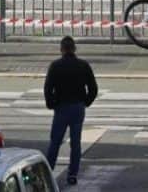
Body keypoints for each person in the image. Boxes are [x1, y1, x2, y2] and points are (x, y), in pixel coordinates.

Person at [43, 36, 97, 186]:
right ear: (74, 49)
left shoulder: (55, 66)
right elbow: (93, 88)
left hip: (61, 107)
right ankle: (72, 174)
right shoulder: (83, 65)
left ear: (61, 49)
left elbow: (48, 88)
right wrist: (86, 101)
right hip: (78, 107)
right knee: (76, 143)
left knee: (55, 142)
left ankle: (48, 172)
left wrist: (51, 103)